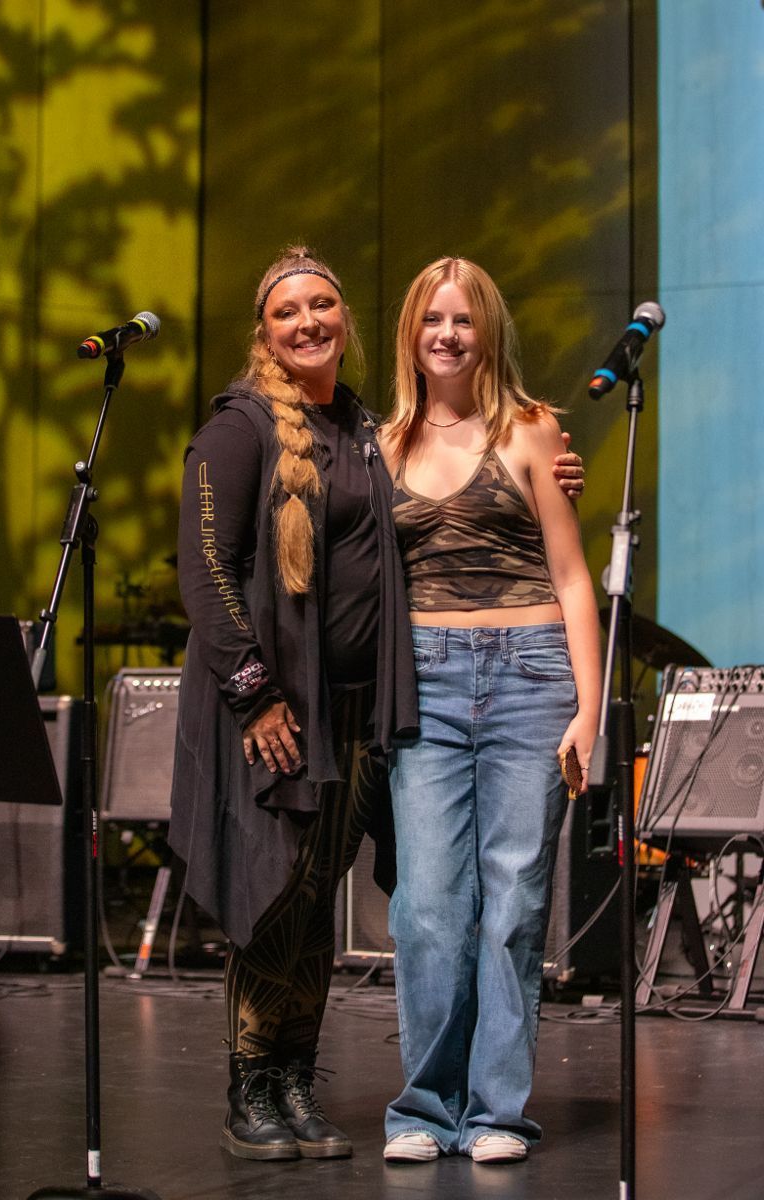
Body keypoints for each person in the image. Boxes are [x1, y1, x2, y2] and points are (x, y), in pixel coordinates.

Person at [168, 246, 585, 1163]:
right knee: (278, 894)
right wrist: (252, 696)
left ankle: (293, 1085)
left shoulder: (366, 427)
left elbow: (483, 500)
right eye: (288, 311)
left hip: (362, 711)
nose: (309, 321)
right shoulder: (242, 429)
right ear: (264, 330)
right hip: (276, 709)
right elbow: (203, 569)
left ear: (349, 323)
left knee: (316, 900)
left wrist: (552, 475)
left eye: (324, 305)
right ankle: (253, 1089)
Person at [379, 256, 601, 1166]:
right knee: (428, 906)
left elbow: (574, 575)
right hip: (424, 681)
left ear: (490, 331)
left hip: (531, 670)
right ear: (411, 333)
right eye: (433, 319)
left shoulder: (533, 430)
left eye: (464, 320)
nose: (448, 334)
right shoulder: (381, 441)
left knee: (512, 904)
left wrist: (590, 709)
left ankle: (496, 1111)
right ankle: (425, 1110)